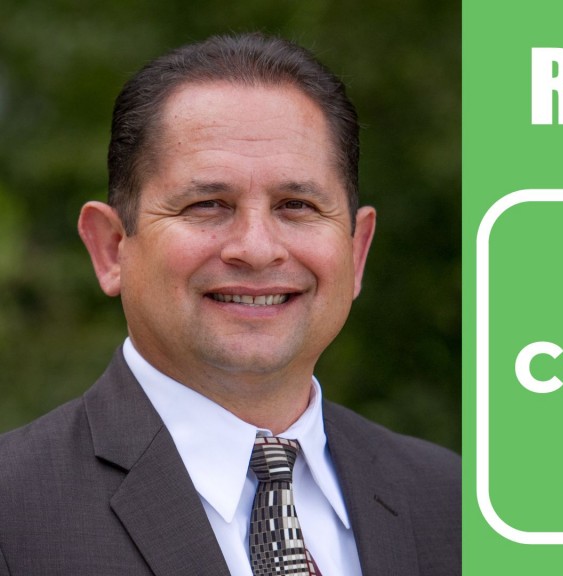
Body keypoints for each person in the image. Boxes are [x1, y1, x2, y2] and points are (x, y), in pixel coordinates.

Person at [0, 33, 460, 576]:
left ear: (356, 252)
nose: (257, 248)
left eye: (297, 205)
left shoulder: (452, 505)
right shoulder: (14, 513)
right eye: (207, 205)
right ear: (110, 248)